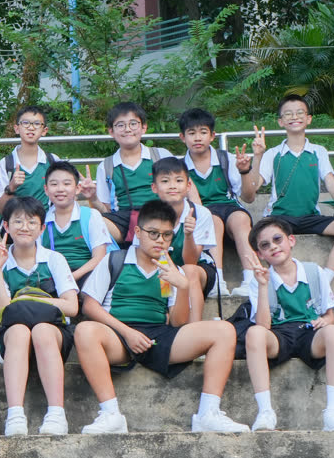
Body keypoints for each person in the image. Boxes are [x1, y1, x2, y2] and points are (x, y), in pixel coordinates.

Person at [73, 199, 249, 434]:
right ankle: (110, 413)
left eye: (166, 235)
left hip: (158, 335)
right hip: (118, 336)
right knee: (84, 330)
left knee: (225, 331)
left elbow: (177, 323)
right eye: (153, 233)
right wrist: (127, 333)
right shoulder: (115, 260)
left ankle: (208, 413)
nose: (160, 240)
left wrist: (183, 286)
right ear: (138, 232)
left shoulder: (169, 268)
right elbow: (90, 306)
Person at [240, 217, 334, 431]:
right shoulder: (259, 280)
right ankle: (265, 411)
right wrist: (263, 286)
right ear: (260, 254)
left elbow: (329, 316)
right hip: (278, 335)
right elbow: (263, 326)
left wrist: (324, 321)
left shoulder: (314, 272)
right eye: (265, 245)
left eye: (277, 239)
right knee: (254, 333)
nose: (273, 247)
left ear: (291, 240)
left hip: (309, 332)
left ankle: (333, 411)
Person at [0, 196, 80, 436]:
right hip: (15, 336)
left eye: (32, 222)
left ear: (41, 228)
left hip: (52, 334)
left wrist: (30, 300)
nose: (25, 227)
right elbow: (0, 311)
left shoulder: (54, 259)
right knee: (19, 331)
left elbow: (72, 307)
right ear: (6, 226)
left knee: (41, 330)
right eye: (18, 221)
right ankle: (15, 414)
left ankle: (57, 413)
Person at [241, 95, 334, 275]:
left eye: (299, 113)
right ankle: (272, 279)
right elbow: (253, 187)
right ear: (280, 121)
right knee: (264, 237)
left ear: (308, 118)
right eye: (288, 114)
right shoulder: (273, 154)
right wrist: (257, 156)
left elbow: (330, 181)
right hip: (279, 217)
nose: (294, 117)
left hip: (310, 217)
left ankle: (326, 278)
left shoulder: (318, 151)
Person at [178, 107, 259, 290]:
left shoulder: (226, 159)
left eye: (203, 132)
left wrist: (245, 171)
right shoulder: (180, 167)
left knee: (241, 218)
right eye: (191, 133)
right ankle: (218, 281)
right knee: (212, 220)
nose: (197, 138)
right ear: (183, 137)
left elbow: (249, 197)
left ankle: (251, 278)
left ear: (212, 136)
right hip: (204, 212)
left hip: (229, 207)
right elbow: (195, 204)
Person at [138, 157, 217, 322]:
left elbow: (191, 260)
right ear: (154, 187)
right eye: (165, 181)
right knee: (161, 272)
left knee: (189, 271)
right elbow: (144, 254)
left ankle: (194, 328)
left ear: (188, 185)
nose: (172, 186)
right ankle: (167, 323)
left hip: (197, 269)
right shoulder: (148, 215)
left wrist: (188, 235)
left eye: (179, 180)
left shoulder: (200, 213)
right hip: (162, 265)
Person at [85, 102, 175, 246]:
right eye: (120, 125)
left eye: (133, 124)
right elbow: (106, 211)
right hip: (124, 221)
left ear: (144, 127)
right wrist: (93, 198)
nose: (127, 129)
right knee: (90, 220)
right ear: (111, 131)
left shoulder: (161, 156)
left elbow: (179, 191)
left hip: (160, 213)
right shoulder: (106, 166)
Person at [40, 161, 115, 289]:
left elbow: (99, 257)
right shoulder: (42, 221)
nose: (60, 189)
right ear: (46, 189)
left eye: (66, 184)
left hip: (87, 276)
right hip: (53, 278)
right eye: (54, 184)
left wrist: (70, 278)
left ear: (77, 188)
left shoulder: (91, 216)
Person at [0, 105, 57, 212]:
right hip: (15, 221)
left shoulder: (53, 161)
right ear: (17, 128)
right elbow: (0, 209)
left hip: (44, 221)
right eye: (25, 123)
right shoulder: (6, 164)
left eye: (37, 124)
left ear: (44, 131)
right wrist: (11, 187)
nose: (31, 127)